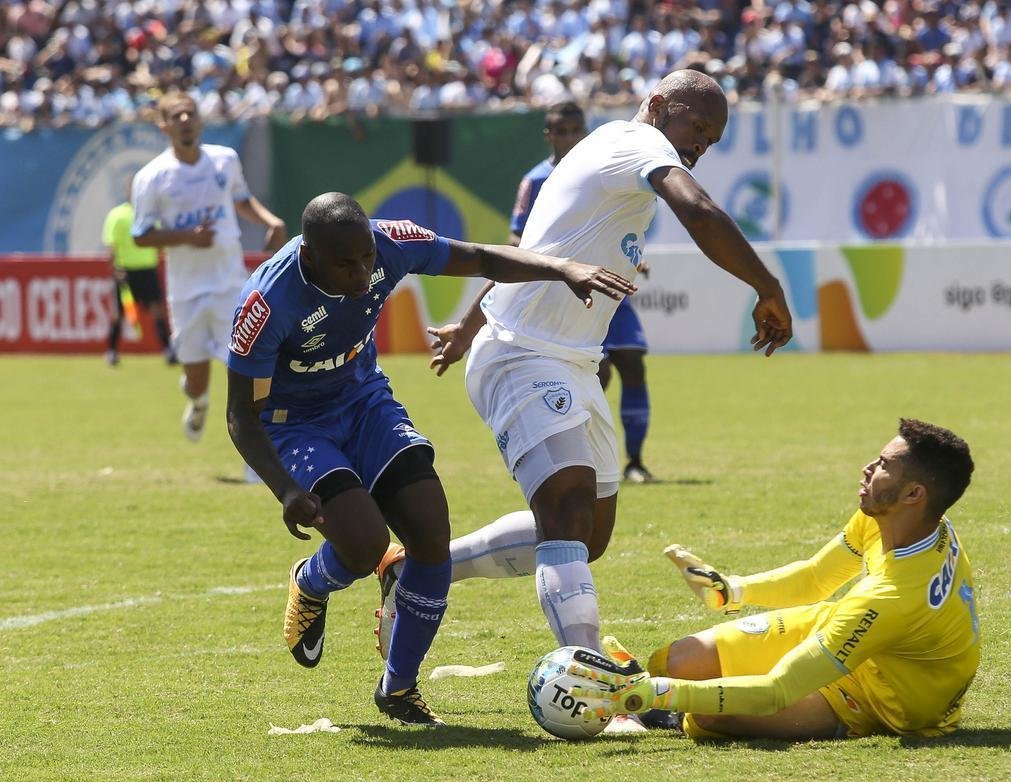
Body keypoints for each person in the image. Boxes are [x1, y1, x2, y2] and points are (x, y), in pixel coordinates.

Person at [378, 70, 792, 669]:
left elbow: (534, 247)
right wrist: (767, 284)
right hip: (525, 353)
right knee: (567, 513)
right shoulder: (637, 144)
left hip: (569, 359)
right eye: (696, 125)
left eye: (713, 138)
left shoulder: (612, 162)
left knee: (588, 536)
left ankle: (413, 563)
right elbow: (699, 213)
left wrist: (469, 325)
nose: (701, 143)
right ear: (656, 106)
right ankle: (592, 674)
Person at [224, 192, 635, 726]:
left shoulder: (390, 241)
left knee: (429, 533)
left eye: (366, 259)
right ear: (309, 257)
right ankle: (312, 581)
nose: (361, 272)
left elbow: (482, 258)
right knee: (365, 543)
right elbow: (240, 416)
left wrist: (561, 269)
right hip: (294, 424)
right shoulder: (266, 303)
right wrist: (285, 489)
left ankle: (398, 687)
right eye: (345, 264)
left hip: (364, 401)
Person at [566, 419, 980, 742]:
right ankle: (654, 697)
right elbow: (818, 577)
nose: (868, 469)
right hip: (856, 631)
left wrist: (658, 694)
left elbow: (776, 690)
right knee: (681, 661)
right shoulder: (903, 518)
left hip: (887, 700)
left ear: (914, 494)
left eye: (885, 466)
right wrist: (734, 590)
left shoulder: (889, 596)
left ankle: (657, 709)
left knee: (711, 714)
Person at [511, 102, 658, 483]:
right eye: (559, 130)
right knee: (596, 372)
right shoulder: (535, 180)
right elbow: (518, 239)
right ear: (549, 135)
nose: (567, 137)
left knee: (633, 365)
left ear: (583, 131)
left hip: (611, 285)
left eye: (574, 129)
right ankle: (576, 452)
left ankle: (636, 462)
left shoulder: (601, 164)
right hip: (566, 292)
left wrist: (631, 257)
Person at [131, 91, 287, 443]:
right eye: (177, 116)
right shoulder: (152, 177)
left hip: (231, 284)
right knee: (197, 378)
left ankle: (257, 457)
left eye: (190, 114)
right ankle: (198, 401)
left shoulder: (224, 160)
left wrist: (269, 220)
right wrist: (187, 236)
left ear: (200, 120)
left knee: (248, 369)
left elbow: (241, 200)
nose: (185, 120)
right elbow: (141, 236)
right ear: (164, 127)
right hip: (186, 291)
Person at [102, 184, 175, 366]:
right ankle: (112, 351)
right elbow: (111, 247)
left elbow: (160, 244)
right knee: (119, 313)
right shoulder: (117, 215)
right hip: (125, 272)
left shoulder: (150, 216)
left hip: (147, 270)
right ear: (127, 192)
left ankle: (168, 350)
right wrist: (115, 269)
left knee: (157, 311)